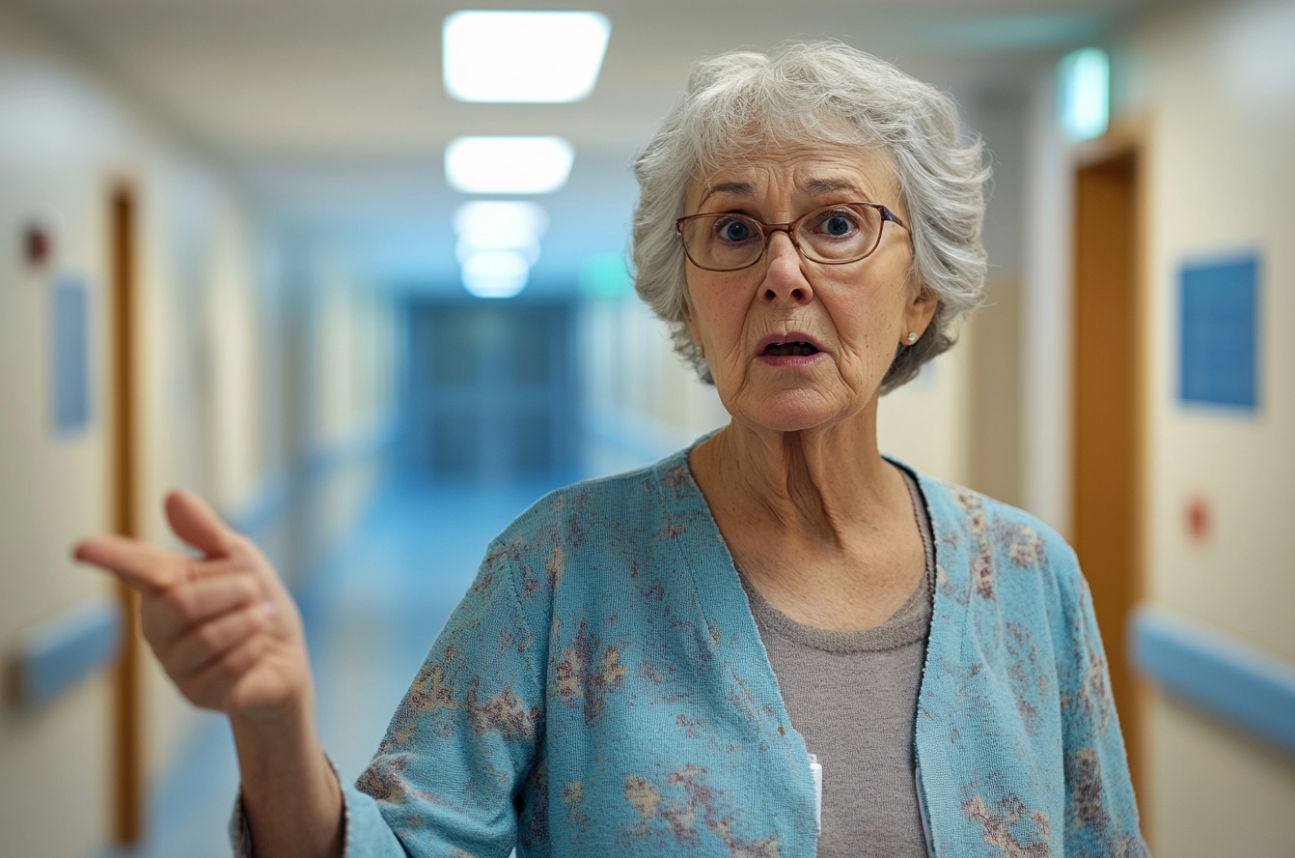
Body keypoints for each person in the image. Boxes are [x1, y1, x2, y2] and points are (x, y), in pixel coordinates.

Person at [75, 41, 1146, 858]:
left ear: (918, 294)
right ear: (688, 296)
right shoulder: (560, 566)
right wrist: (272, 725)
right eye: (731, 231)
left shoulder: (1025, 579)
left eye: (834, 225)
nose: (781, 271)